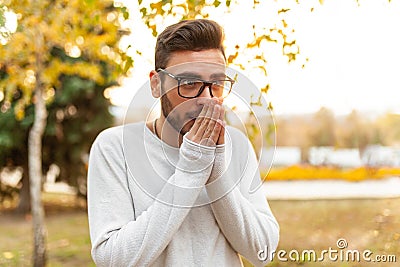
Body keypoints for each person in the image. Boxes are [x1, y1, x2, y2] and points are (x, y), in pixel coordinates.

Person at [87, 19, 279, 266]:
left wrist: (216, 168)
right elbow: (113, 259)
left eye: (217, 84)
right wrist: (192, 167)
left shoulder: (237, 146)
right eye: (189, 84)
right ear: (156, 84)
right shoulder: (115, 148)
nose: (207, 98)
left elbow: (263, 251)